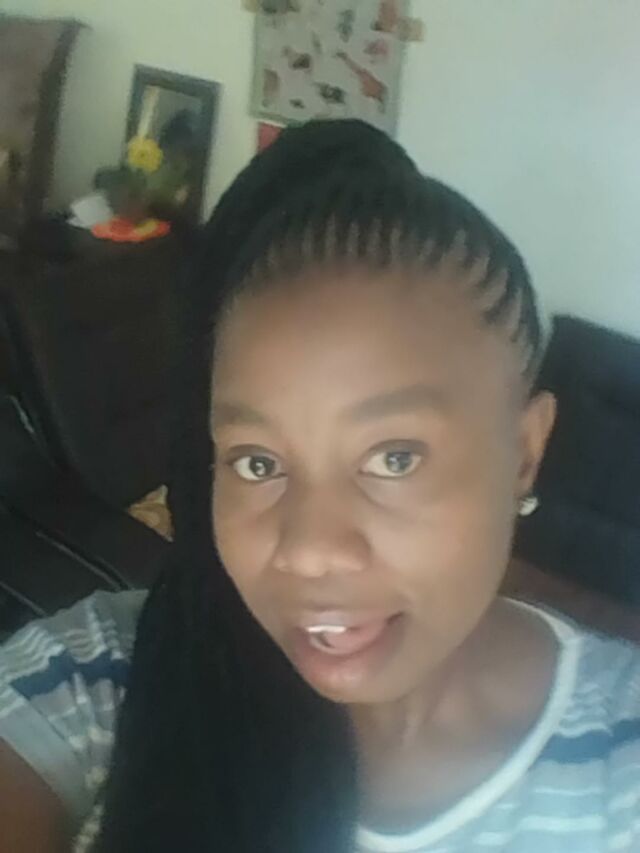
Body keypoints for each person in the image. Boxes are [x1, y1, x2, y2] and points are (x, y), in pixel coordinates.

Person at [1, 120, 639, 853]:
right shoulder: (96, 675)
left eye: (394, 458)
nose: (306, 551)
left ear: (524, 452)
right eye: (257, 462)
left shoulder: (619, 763)